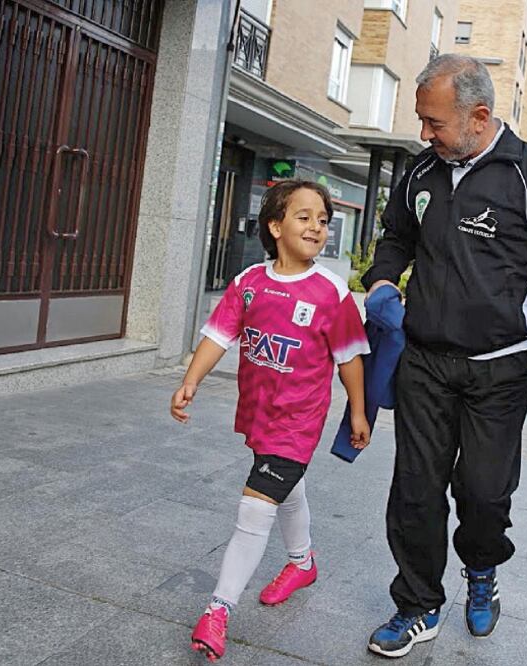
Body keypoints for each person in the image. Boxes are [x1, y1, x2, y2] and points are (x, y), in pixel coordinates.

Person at [361, 54, 527, 658]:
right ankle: (417, 604)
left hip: (502, 367)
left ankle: (482, 570)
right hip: (425, 362)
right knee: (416, 489)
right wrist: (384, 280)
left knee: (484, 494)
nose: (424, 135)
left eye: (434, 123)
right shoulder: (420, 172)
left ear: (479, 116)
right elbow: (395, 237)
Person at [171, 180, 371, 662]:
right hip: (259, 413)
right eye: (304, 217)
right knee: (287, 488)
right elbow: (219, 335)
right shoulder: (247, 284)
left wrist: (357, 411)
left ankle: (217, 610)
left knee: (256, 507)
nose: (316, 227)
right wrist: (191, 380)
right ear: (276, 226)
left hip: (299, 421)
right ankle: (303, 563)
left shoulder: (330, 292)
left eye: (323, 220)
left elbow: (349, 358)